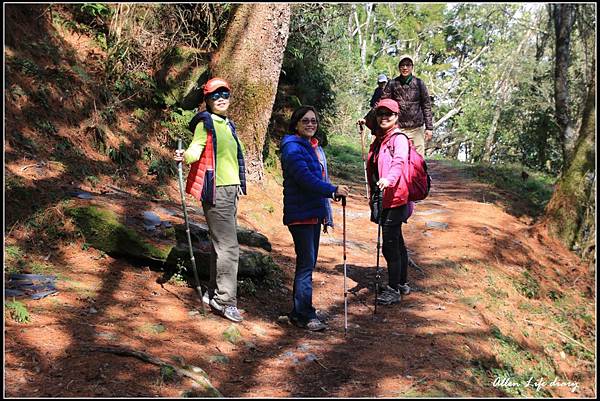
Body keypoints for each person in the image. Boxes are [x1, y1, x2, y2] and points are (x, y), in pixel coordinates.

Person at [174, 77, 246, 323]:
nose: (222, 98)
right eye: (216, 95)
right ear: (207, 100)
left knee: (221, 245)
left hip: (231, 191)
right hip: (216, 191)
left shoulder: (227, 124)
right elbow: (196, 148)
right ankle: (225, 301)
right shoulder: (205, 123)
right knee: (229, 247)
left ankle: (214, 293)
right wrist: (185, 156)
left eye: (225, 94)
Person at [280, 105, 350, 331]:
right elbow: (305, 179)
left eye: (314, 121)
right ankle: (304, 315)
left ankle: (299, 311)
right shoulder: (292, 147)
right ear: (296, 124)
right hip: (300, 214)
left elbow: (313, 178)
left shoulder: (311, 147)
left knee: (307, 263)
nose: (311, 124)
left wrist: (329, 195)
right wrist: (331, 190)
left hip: (311, 213)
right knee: (306, 264)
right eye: (305, 121)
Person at [365, 98, 413, 305]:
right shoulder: (380, 138)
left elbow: (399, 162)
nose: (384, 117)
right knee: (398, 241)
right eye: (380, 114)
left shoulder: (398, 139)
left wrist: (389, 179)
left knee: (390, 245)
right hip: (383, 197)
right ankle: (401, 283)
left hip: (395, 197)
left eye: (389, 114)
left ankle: (394, 289)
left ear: (397, 117)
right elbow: (369, 121)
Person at [379, 54, 433, 157]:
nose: (405, 68)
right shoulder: (392, 84)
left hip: (417, 128)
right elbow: (382, 103)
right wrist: (366, 119)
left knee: (419, 160)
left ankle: (421, 174)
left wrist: (429, 128)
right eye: (402, 65)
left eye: (408, 65)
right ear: (399, 67)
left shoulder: (419, 83)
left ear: (412, 67)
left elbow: (426, 106)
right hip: (399, 128)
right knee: (398, 158)